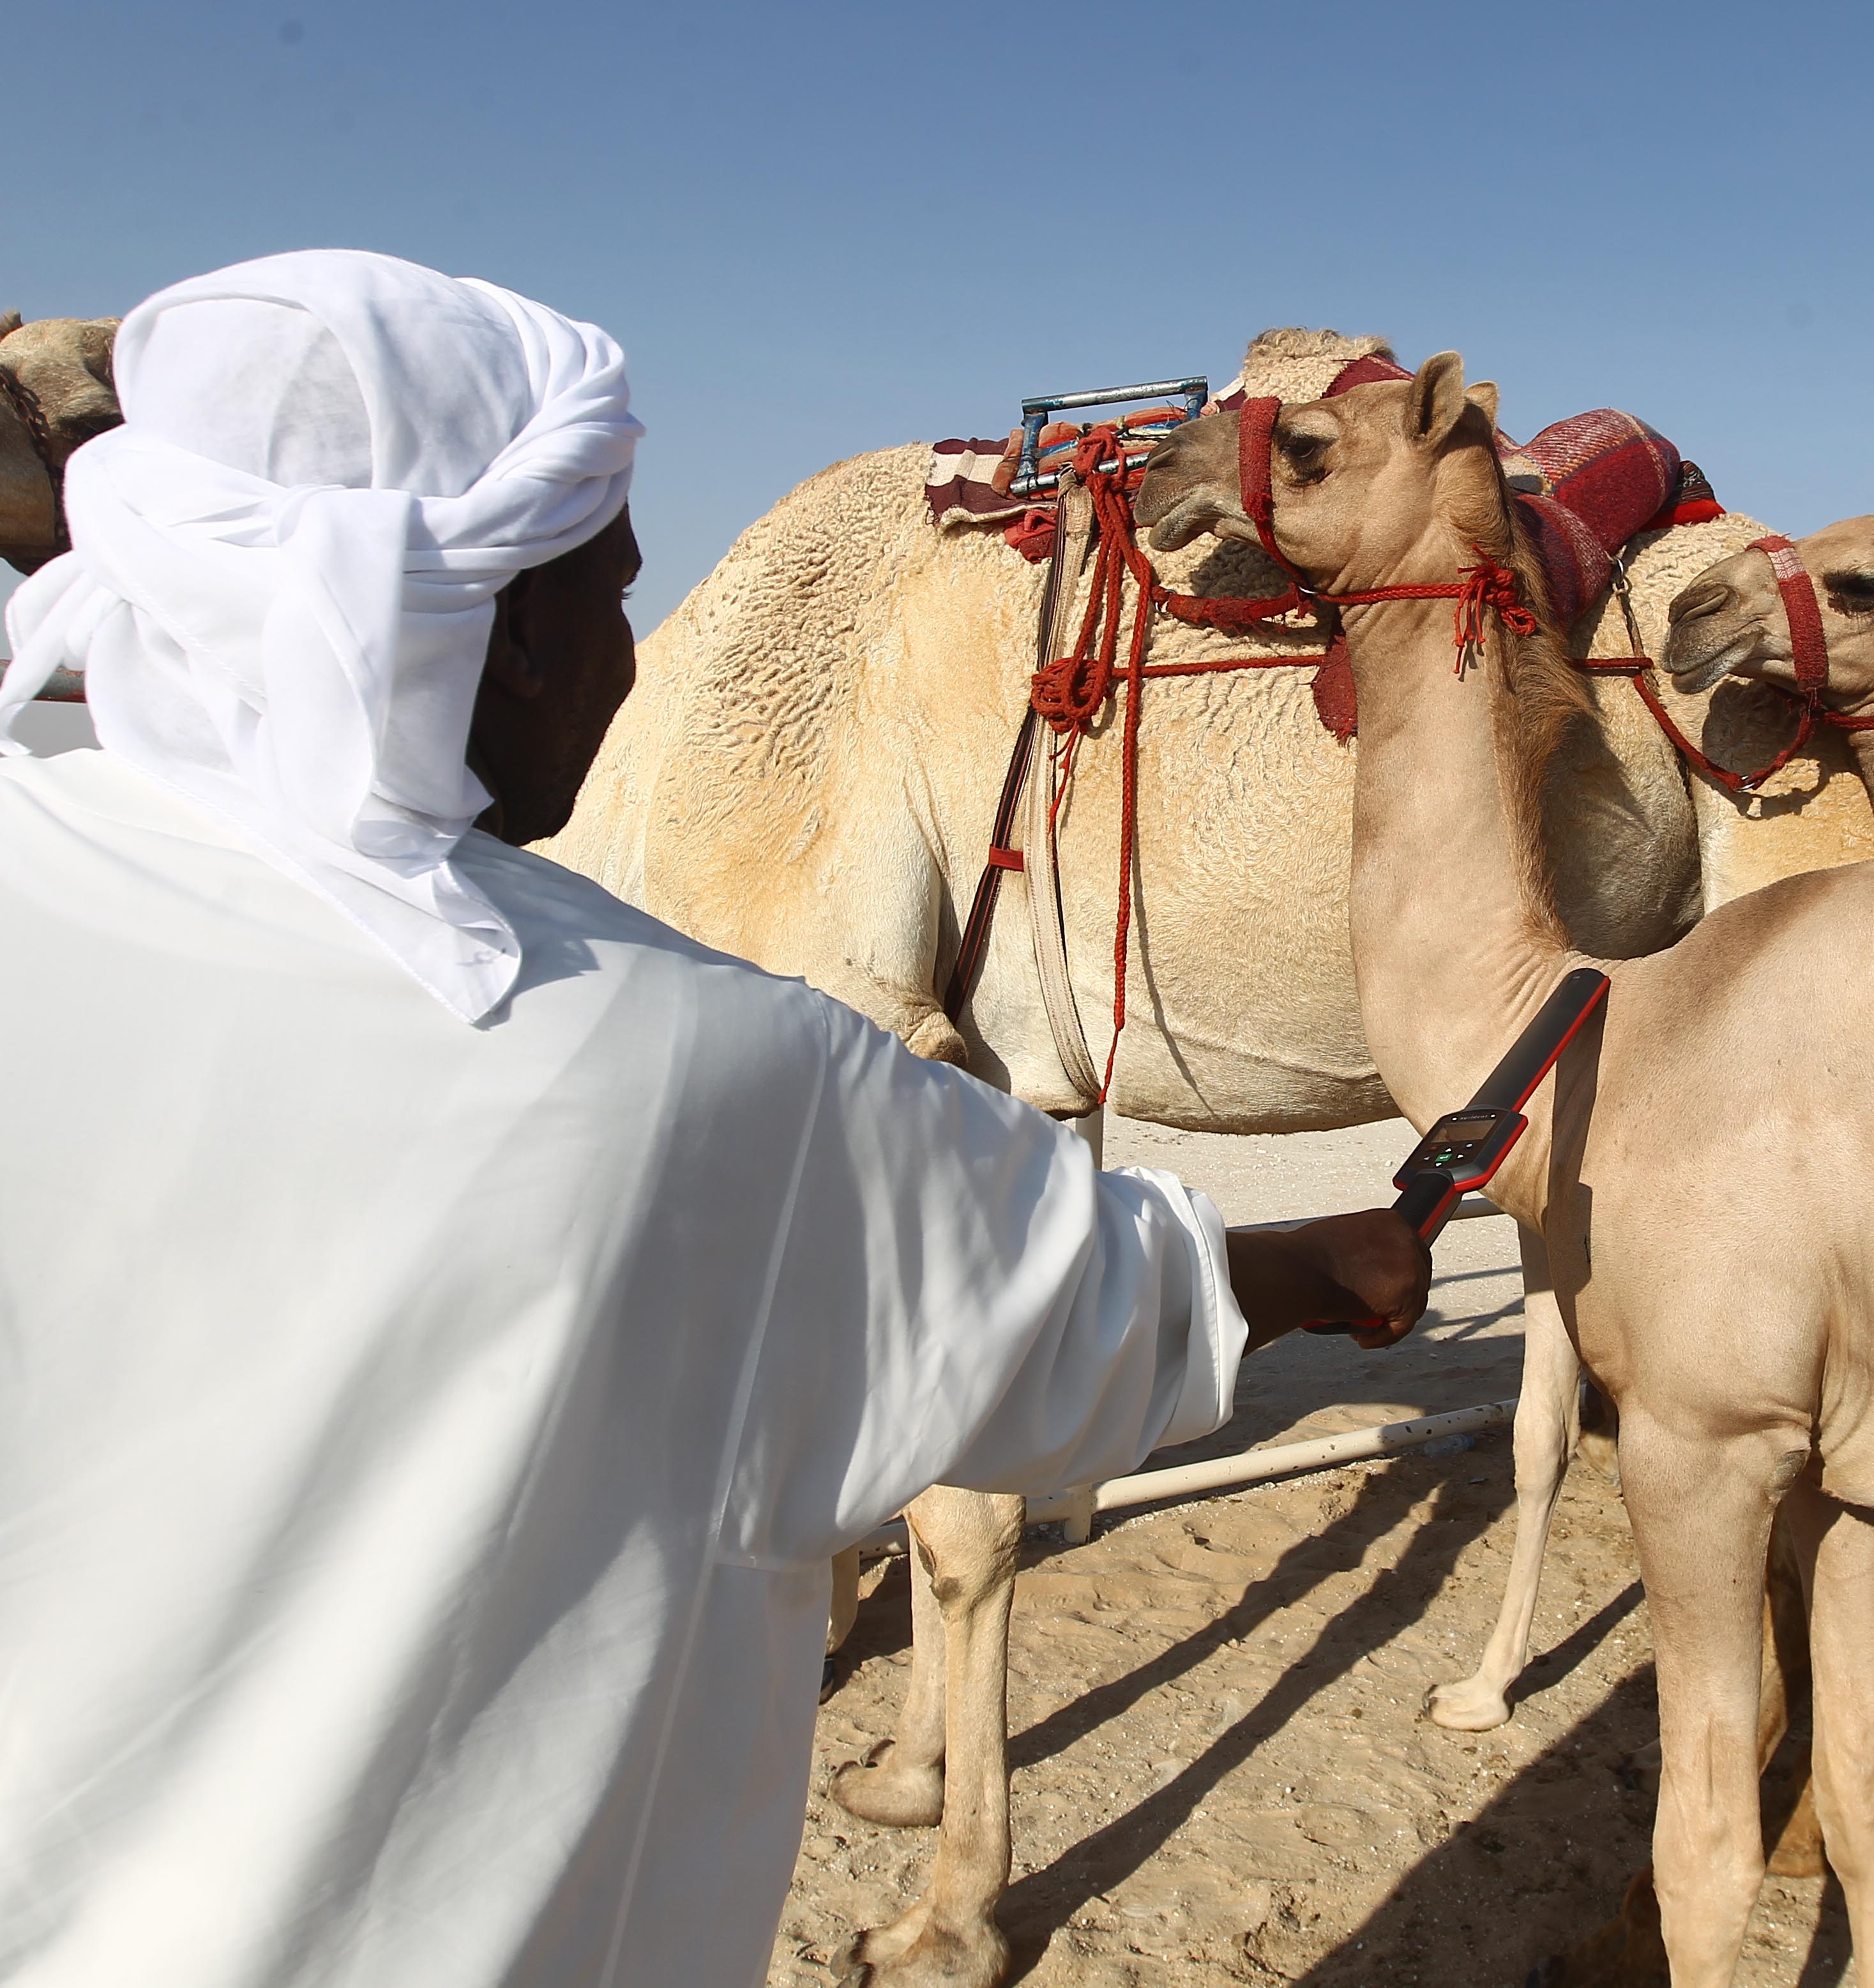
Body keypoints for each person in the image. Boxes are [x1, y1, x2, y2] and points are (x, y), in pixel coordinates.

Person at [0, 252, 1429, 1988]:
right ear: (501, 633)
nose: (638, 656)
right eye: (607, 592)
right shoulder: (691, 1065)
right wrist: (1319, 1259)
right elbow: (1075, 1315)